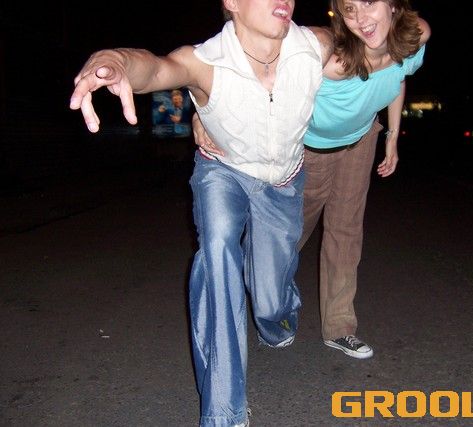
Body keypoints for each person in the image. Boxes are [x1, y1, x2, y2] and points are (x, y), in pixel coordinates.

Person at [69, 0, 332, 425]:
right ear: (232, 3)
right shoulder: (206, 61)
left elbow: (376, 44)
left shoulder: (314, 45)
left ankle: (278, 317)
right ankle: (224, 411)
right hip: (222, 170)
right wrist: (114, 61)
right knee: (218, 253)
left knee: (270, 298)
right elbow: (155, 69)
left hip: (282, 181)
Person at [194, 0, 430, 360]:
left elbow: (398, 77)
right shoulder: (332, 60)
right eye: (349, 10)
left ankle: (340, 327)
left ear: (394, 6)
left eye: (369, 3)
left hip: (360, 142)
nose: (361, 18)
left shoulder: (413, 39)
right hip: (310, 150)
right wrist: (204, 113)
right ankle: (267, 302)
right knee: (284, 238)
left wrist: (393, 136)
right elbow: (260, 72)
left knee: (346, 232)